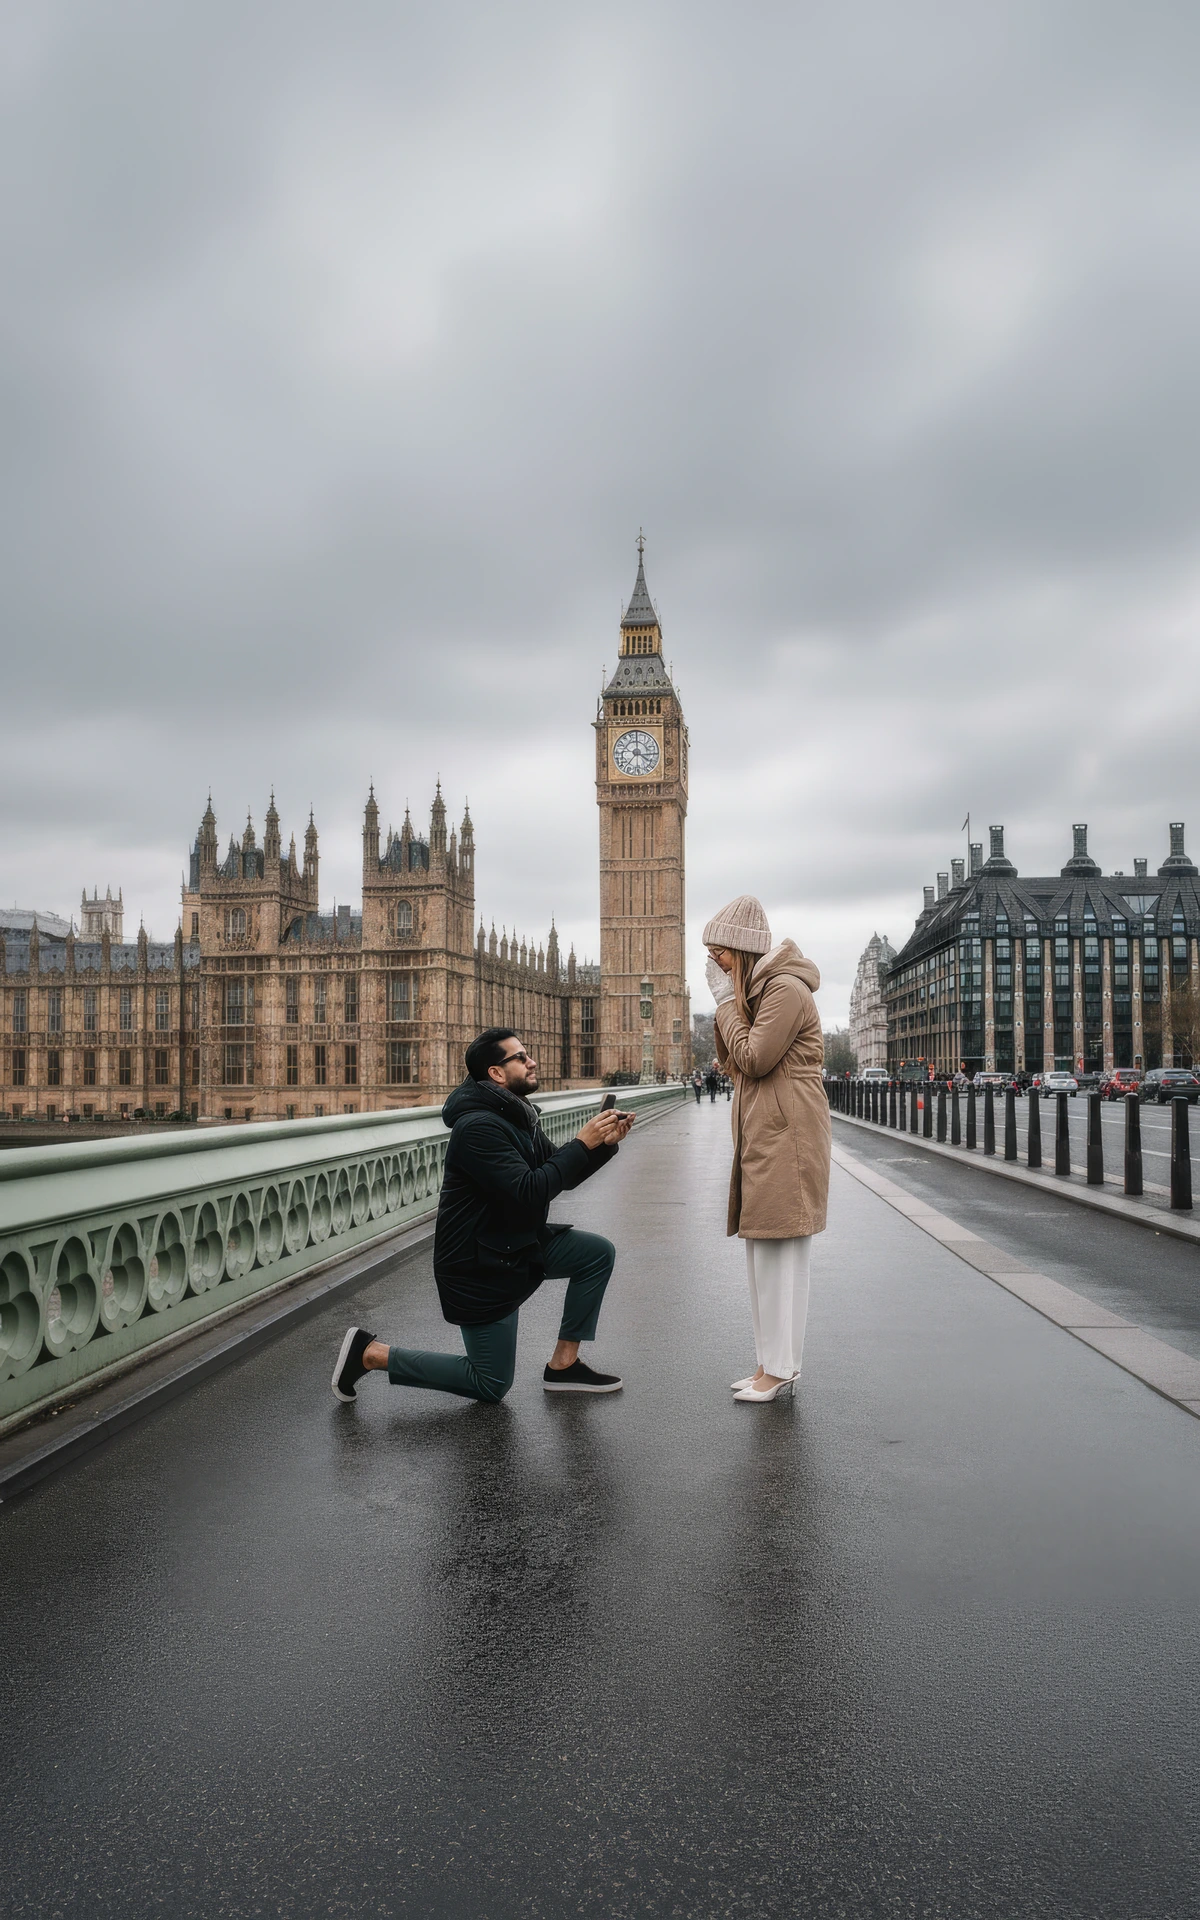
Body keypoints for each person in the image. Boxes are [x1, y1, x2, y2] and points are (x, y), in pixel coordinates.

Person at [332, 1028, 634, 1405]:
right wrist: (579, 1143)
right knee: (490, 1384)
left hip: (513, 1244)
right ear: (495, 1073)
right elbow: (530, 1191)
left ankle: (564, 1365)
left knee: (596, 1254)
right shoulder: (478, 1127)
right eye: (521, 1057)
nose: (532, 1061)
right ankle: (370, 1353)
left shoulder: (516, 1116)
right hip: (479, 1264)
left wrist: (601, 1146)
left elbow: (560, 1176)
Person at [704, 894, 830, 1404]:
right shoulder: (760, 991)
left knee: (781, 1254)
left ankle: (781, 1370)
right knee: (762, 1254)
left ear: (743, 949)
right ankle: (767, 1364)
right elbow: (733, 1062)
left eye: (722, 953)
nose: (715, 962)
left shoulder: (785, 989)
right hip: (766, 1136)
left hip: (788, 1137)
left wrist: (723, 1003)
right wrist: (731, 1005)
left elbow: (753, 1058)